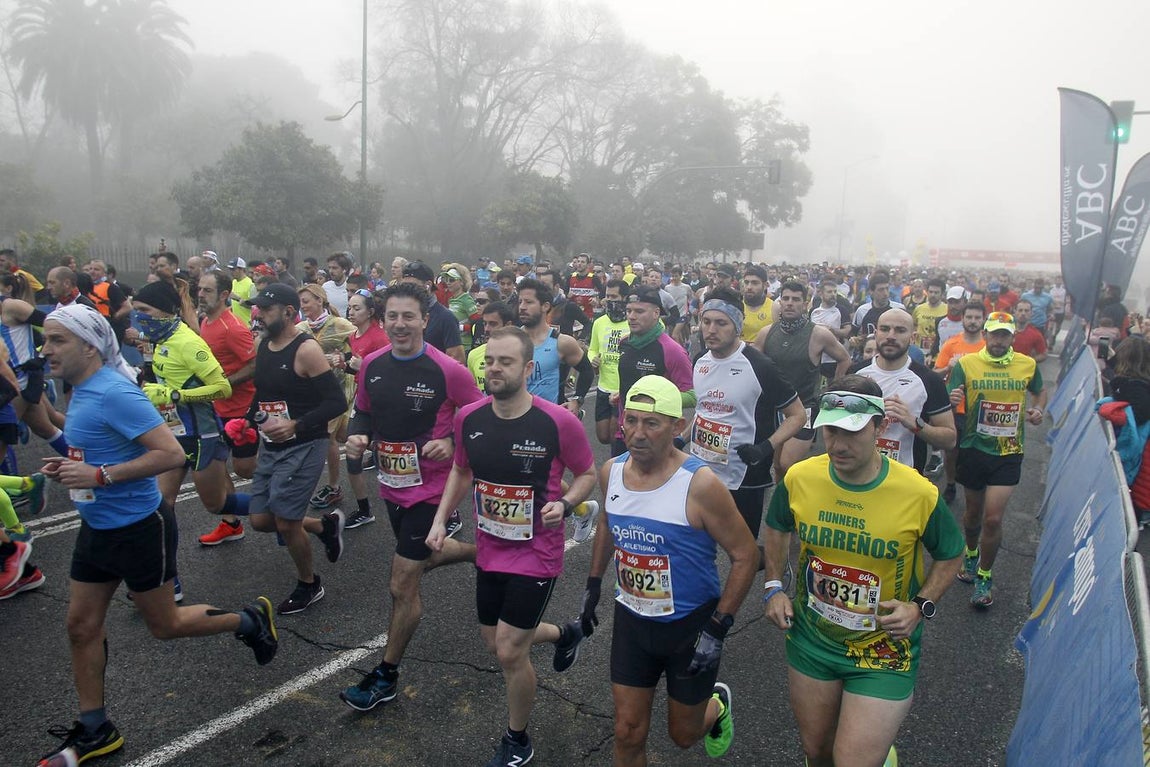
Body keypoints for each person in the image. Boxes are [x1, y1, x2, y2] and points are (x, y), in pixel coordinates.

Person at [35, 304, 278, 767]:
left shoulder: (113, 391)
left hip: (138, 528)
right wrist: (71, 462)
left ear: (90, 345)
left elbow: (169, 453)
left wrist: (100, 475)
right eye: (45, 340)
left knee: (165, 626)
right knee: (80, 625)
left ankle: (248, 621)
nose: (47, 350)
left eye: (57, 340)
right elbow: (91, 439)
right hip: (97, 527)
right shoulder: (82, 389)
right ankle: (95, 728)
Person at [762, 376, 964, 767]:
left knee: (852, 761)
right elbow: (777, 525)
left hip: (884, 651)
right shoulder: (801, 477)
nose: (838, 444)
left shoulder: (918, 492)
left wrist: (920, 606)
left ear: (880, 427)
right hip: (813, 640)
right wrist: (773, 586)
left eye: (852, 431)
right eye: (831, 430)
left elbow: (952, 554)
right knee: (817, 752)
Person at [426, 327, 595, 766]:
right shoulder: (471, 419)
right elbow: (461, 471)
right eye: (489, 362)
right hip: (490, 546)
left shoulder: (557, 421)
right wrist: (441, 520)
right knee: (493, 641)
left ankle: (517, 737)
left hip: (537, 552)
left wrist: (566, 502)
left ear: (528, 368)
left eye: (505, 362)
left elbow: (587, 472)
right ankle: (565, 633)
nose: (494, 369)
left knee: (508, 649)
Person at [579, 374, 759, 764]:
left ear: (678, 427)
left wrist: (719, 626)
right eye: (631, 420)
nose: (637, 433)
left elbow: (746, 554)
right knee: (627, 732)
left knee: (683, 734)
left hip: (690, 628)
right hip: (632, 620)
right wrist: (593, 584)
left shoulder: (700, 484)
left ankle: (716, 707)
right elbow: (608, 523)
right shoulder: (611, 471)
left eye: (652, 423)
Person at [339, 282, 483, 711]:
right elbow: (362, 408)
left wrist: (454, 442)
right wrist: (358, 434)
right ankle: (481, 552)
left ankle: (386, 674)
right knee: (421, 560)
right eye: (392, 317)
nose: (400, 325)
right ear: (382, 321)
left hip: (434, 492)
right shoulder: (372, 365)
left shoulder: (446, 370)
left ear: (425, 320)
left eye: (409, 316)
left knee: (402, 581)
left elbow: (479, 416)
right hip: (392, 484)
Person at [242, 284, 349, 615]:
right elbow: (263, 392)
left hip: (306, 443)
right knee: (261, 520)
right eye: (256, 309)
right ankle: (322, 526)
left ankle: (309, 584)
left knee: (287, 522)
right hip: (274, 444)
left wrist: (296, 425)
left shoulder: (306, 350)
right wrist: (246, 420)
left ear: (289, 313)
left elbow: (336, 401)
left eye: (265, 309)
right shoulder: (264, 345)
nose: (257, 314)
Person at [132, 280, 250, 566]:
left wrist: (176, 394)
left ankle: (289, 513)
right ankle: (165, 579)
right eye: (137, 311)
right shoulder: (160, 340)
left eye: (145, 310)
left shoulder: (188, 342)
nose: (140, 318)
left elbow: (222, 388)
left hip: (203, 435)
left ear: (164, 311)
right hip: (172, 436)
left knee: (217, 504)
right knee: (161, 506)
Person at [691, 287, 806, 547]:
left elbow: (797, 415)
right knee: (697, 546)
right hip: (702, 470)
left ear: (737, 326)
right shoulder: (699, 360)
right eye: (706, 321)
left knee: (742, 553)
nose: (711, 330)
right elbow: (704, 409)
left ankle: (766, 561)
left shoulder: (759, 365)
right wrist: (680, 439)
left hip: (744, 475)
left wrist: (765, 447)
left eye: (721, 323)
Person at [947, 311, 1046, 608]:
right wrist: (952, 398)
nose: (999, 340)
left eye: (1005, 335)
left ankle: (985, 576)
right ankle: (971, 552)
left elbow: (1040, 392)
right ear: (987, 335)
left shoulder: (1026, 365)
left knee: (993, 518)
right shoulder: (967, 363)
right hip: (975, 448)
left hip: (1009, 451)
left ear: (1012, 337)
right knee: (973, 515)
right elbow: (949, 393)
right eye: (995, 334)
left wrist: (1038, 410)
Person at [754, 281, 851, 480]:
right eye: (786, 299)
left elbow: (844, 358)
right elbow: (752, 366)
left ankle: (796, 501)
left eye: (796, 299)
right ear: (780, 303)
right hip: (774, 409)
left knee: (787, 464)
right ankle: (786, 504)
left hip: (804, 407)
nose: (790, 303)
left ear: (805, 304)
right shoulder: (766, 333)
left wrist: (833, 390)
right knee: (778, 466)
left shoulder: (818, 334)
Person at [198, 272, 260, 545]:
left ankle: (287, 485)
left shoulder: (232, 327)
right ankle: (231, 523)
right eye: (199, 289)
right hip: (215, 408)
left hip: (241, 407)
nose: (200, 294)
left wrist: (225, 383)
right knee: (217, 465)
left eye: (207, 290)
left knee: (245, 469)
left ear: (224, 294)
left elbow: (255, 365)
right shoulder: (205, 321)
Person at [855, 308, 956, 473]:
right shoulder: (855, 373)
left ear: (913, 337)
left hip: (905, 479)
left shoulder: (929, 380)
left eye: (900, 330)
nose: (891, 336)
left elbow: (950, 439)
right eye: (885, 329)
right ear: (876, 332)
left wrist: (915, 424)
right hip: (856, 473)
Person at [612, 285, 695, 456]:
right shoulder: (625, 343)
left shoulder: (672, 350)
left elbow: (691, 396)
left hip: (654, 437)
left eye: (639, 311)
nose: (631, 317)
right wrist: (620, 394)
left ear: (656, 313)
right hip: (624, 432)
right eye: (628, 311)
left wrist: (651, 401)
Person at [295, 284, 357, 512]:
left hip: (342, 390)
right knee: (339, 437)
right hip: (316, 393)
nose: (303, 306)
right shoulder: (300, 328)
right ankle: (336, 484)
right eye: (300, 302)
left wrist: (343, 357)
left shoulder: (340, 325)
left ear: (320, 301)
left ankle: (334, 486)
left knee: (333, 438)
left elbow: (360, 346)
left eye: (306, 301)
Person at [342, 289, 390, 527]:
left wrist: (362, 368)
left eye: (356, 308)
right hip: (363, 403)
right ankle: (364, 510)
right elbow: (356, 370)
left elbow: (389, 375)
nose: (351, 312)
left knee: (395, 456)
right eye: (350, 307)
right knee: (352, 456)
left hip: (384, 406)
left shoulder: (380, 338)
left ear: (371, 311)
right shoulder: (354, 336)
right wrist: (344, 364)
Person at [933, 302, 987, 502]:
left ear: (983, 320)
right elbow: (935, 375)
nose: (973, 322)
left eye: (977, 318)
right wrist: (948, 367)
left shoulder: (988, 347)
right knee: (952, 452)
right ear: (963, 319)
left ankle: (976, 488)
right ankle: (950, 484)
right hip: (956, 409)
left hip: (980, 410)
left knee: (978, 453)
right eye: (969, 317)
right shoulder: (951, 344)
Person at [588, 280, 630, 445]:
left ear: (624, 297)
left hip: (622, 389)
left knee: (615, 438)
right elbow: (592, 349)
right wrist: (593, 359)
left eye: (614, 296)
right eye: (607, 296)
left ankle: (620, 467)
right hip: (603, 387)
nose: (610, 300)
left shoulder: (633, 321)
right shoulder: (599, 322)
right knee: (603, 436)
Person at [401, 261, 465, 363]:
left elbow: (456, 361)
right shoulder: (399, 317)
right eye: (403, 286)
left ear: (428, 285)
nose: (407, 291)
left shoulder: (445, 317)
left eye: (412, 286)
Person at [810, 278, 853, 383]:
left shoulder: (841, 310)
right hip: (816, 358)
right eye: (829, 292)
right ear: (821, 293)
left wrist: (831, 331)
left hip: (835, 358)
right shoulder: (814, 311)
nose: (833, 294)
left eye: (835, 292)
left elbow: (847, 331)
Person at [467, 300, 516, 391]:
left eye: (493, 324)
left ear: (508, 325)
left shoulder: (520, 354)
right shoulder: (473, 355)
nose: (486, 329)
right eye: (485, 323)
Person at [740, 264, 775, 343]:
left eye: (754, 283)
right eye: (746, 282)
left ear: (765, 285)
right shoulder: (736, 306)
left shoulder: (775, 308)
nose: (749, 287)